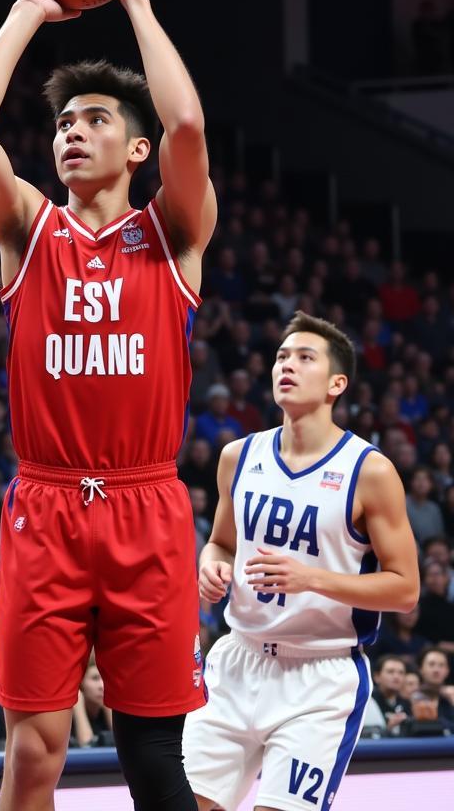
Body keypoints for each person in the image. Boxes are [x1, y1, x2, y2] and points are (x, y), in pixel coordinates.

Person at [0, 0, 216, 809]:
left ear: (135, 152)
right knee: (35, 751)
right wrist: (26, 12)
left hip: (147, 502)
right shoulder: (30, 228)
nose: (72, 131)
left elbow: (184, 120)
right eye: (62, 120)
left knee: (152, 755)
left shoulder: (170, 234)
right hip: (47, 503)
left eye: (95, 119)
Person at [183, 312, 420, 811]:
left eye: (304, 357)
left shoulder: (370, 471)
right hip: (237, 660)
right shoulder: (239, 456)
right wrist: (212, 563)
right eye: (281, 357)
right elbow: (221, 542)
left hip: (320, 675)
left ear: (337, 383)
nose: (286, 366)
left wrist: (312, 578)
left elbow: (405, 588)